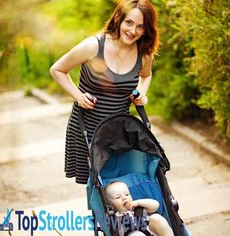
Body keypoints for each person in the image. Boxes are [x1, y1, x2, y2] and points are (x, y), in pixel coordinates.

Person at [50, 0, 159, 184]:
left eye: (140, 27)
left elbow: (146, 76)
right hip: (87, 129)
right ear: (118, 18)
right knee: (98, 188)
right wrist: (78, 96)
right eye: (129, 23)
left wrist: (141, 93)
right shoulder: (93, 46)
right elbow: (57, 70)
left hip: (119, 132)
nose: (133, 31)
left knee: (122, 188)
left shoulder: (144, 53)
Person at [105, 181, 174, 236]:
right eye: (118, 197)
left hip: (151, 230)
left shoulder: (139, 208)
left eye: (127, 194)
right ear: (111, 205)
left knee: (156, 218)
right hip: (130, 233)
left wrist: (137, 203)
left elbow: (156, 205)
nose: (124, 198)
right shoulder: (113, 216)